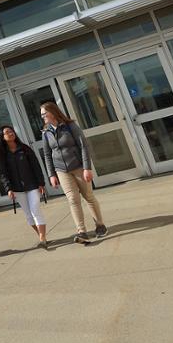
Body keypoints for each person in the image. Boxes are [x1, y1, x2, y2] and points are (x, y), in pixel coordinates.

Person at [40, 101, 107, 244]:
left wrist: (87, 168)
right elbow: (47, 154)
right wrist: (51, 174)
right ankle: (81, 232)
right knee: (73, 199)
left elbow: (83, 146)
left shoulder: (70, 126)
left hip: (78, 166)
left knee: (88, 196)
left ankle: (100, 225)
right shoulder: (46, 133)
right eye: (41, 115)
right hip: (61, 171)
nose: (43, 117)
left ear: (53, 112)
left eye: (44, 114)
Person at [0, 125, 48, 249]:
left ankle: (42, 238)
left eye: (11, 131)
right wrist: (8, 189)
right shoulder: (2, 155)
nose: (10, 133)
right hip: (17, 189)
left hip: (32, 185)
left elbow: (36, 166)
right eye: (7, 132)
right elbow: (3, 174)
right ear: (2, 137)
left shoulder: (25, 149)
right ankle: (41, 235)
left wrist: (41, 183)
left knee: (35, 209)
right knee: (28, 214)